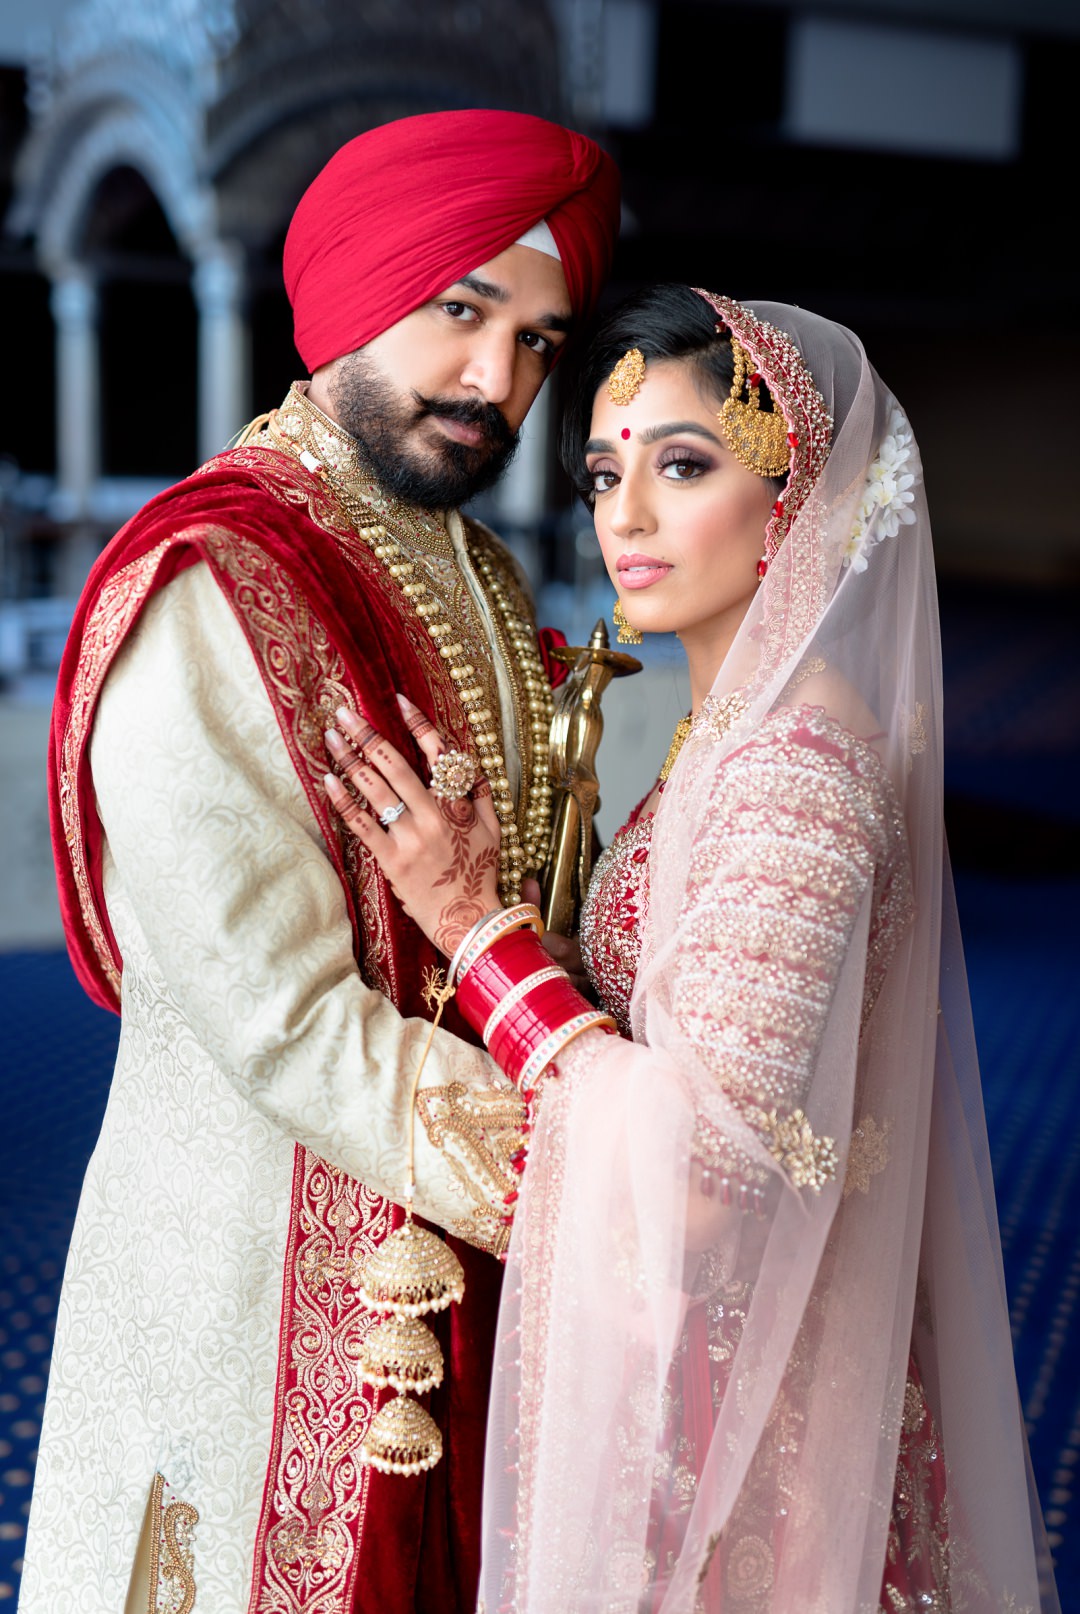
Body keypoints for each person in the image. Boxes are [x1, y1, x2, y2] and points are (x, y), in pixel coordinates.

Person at [322, 286, 1060, 1612]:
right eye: (607, 471)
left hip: (752, 1411)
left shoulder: (799, 770)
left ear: (801, 495)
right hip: (718, 1367)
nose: (627, 515)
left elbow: (710, 1178)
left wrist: (476, 933)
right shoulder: (733, 727)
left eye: (682, 465)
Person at [25, 110, 619, 1613]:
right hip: (251, 1282)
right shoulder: (218, 580)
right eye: (462, 311)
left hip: (469, 1277)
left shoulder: (473, 564)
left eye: (539, 341)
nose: (499, 382)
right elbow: (277, 1018)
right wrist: (601, 1169)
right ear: (360, 293)